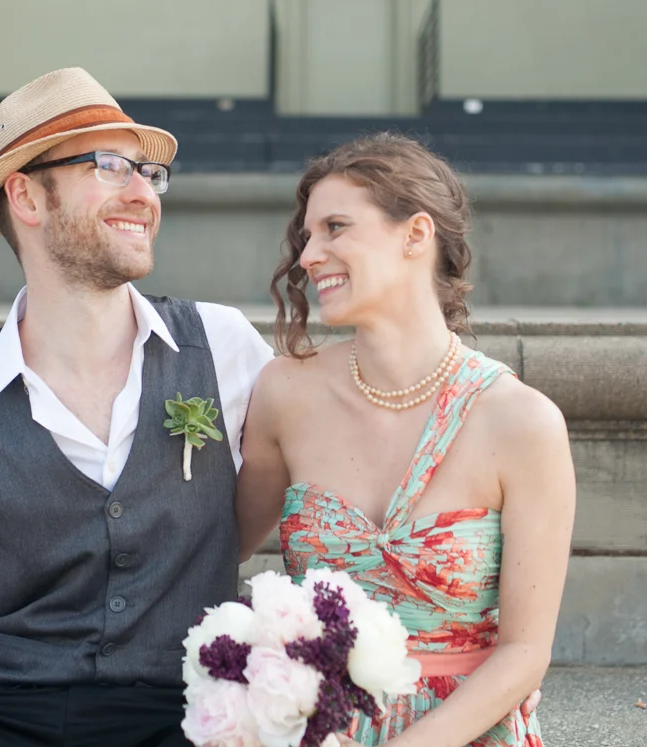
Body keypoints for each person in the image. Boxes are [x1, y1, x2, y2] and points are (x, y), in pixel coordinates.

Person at [0, 67, 274, 747]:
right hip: (9, 710)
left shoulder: (224, 346)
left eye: (147, 174)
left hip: (194, 709)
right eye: (110, 167)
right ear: (27, 197)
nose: (143, 193)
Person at [236, 133, 575, 746]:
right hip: (318, 728)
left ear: (417, 235)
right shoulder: (285, 393)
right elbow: (213, 552)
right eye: (308, 236)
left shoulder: (522, 423)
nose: (310, 255)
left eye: (336, 227)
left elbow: (525, 650)